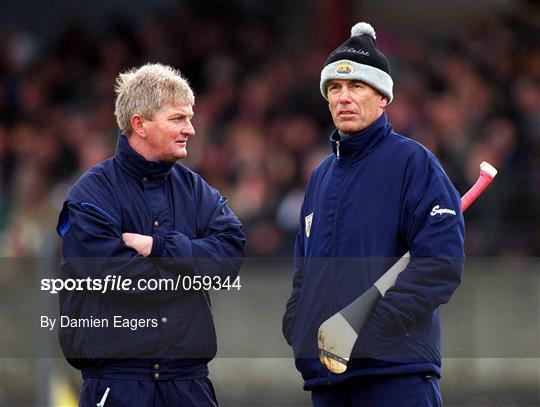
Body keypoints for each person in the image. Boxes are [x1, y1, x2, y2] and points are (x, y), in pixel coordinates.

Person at [282, 22, 464, 406]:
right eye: (334, 88)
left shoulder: (413, 163)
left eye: (356, 86)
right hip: (326, 380)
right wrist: (299, 326)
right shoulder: (320, 177)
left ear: (383, 97)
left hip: (396, 377)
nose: (343, 97)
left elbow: (441, 262)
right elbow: (304, 273)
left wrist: (374, 329)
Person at [56, 63, 245, 406]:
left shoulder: (195, 189)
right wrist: (193, 274)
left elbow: (231, 254)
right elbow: (119, 280)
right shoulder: (89, 196)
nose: (189, 129)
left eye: (189, 118)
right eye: (177, 119)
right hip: (117, 386)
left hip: (189, 385)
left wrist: (159, 247)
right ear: (139, 124)